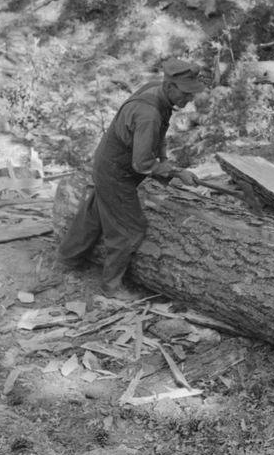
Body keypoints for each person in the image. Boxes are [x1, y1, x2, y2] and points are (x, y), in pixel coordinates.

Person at [58, 58, 207, 298]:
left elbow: (157, 137)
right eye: (186, 94)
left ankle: (68, 258)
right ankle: (111, 287)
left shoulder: (155, 90)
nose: (189, 100)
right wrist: (176, 172)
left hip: (111, 163)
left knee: (96, 212)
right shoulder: (148, 114)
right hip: (118, 172)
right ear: (170, 87)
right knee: (128, 228)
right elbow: (142, 163)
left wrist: (165, 160)